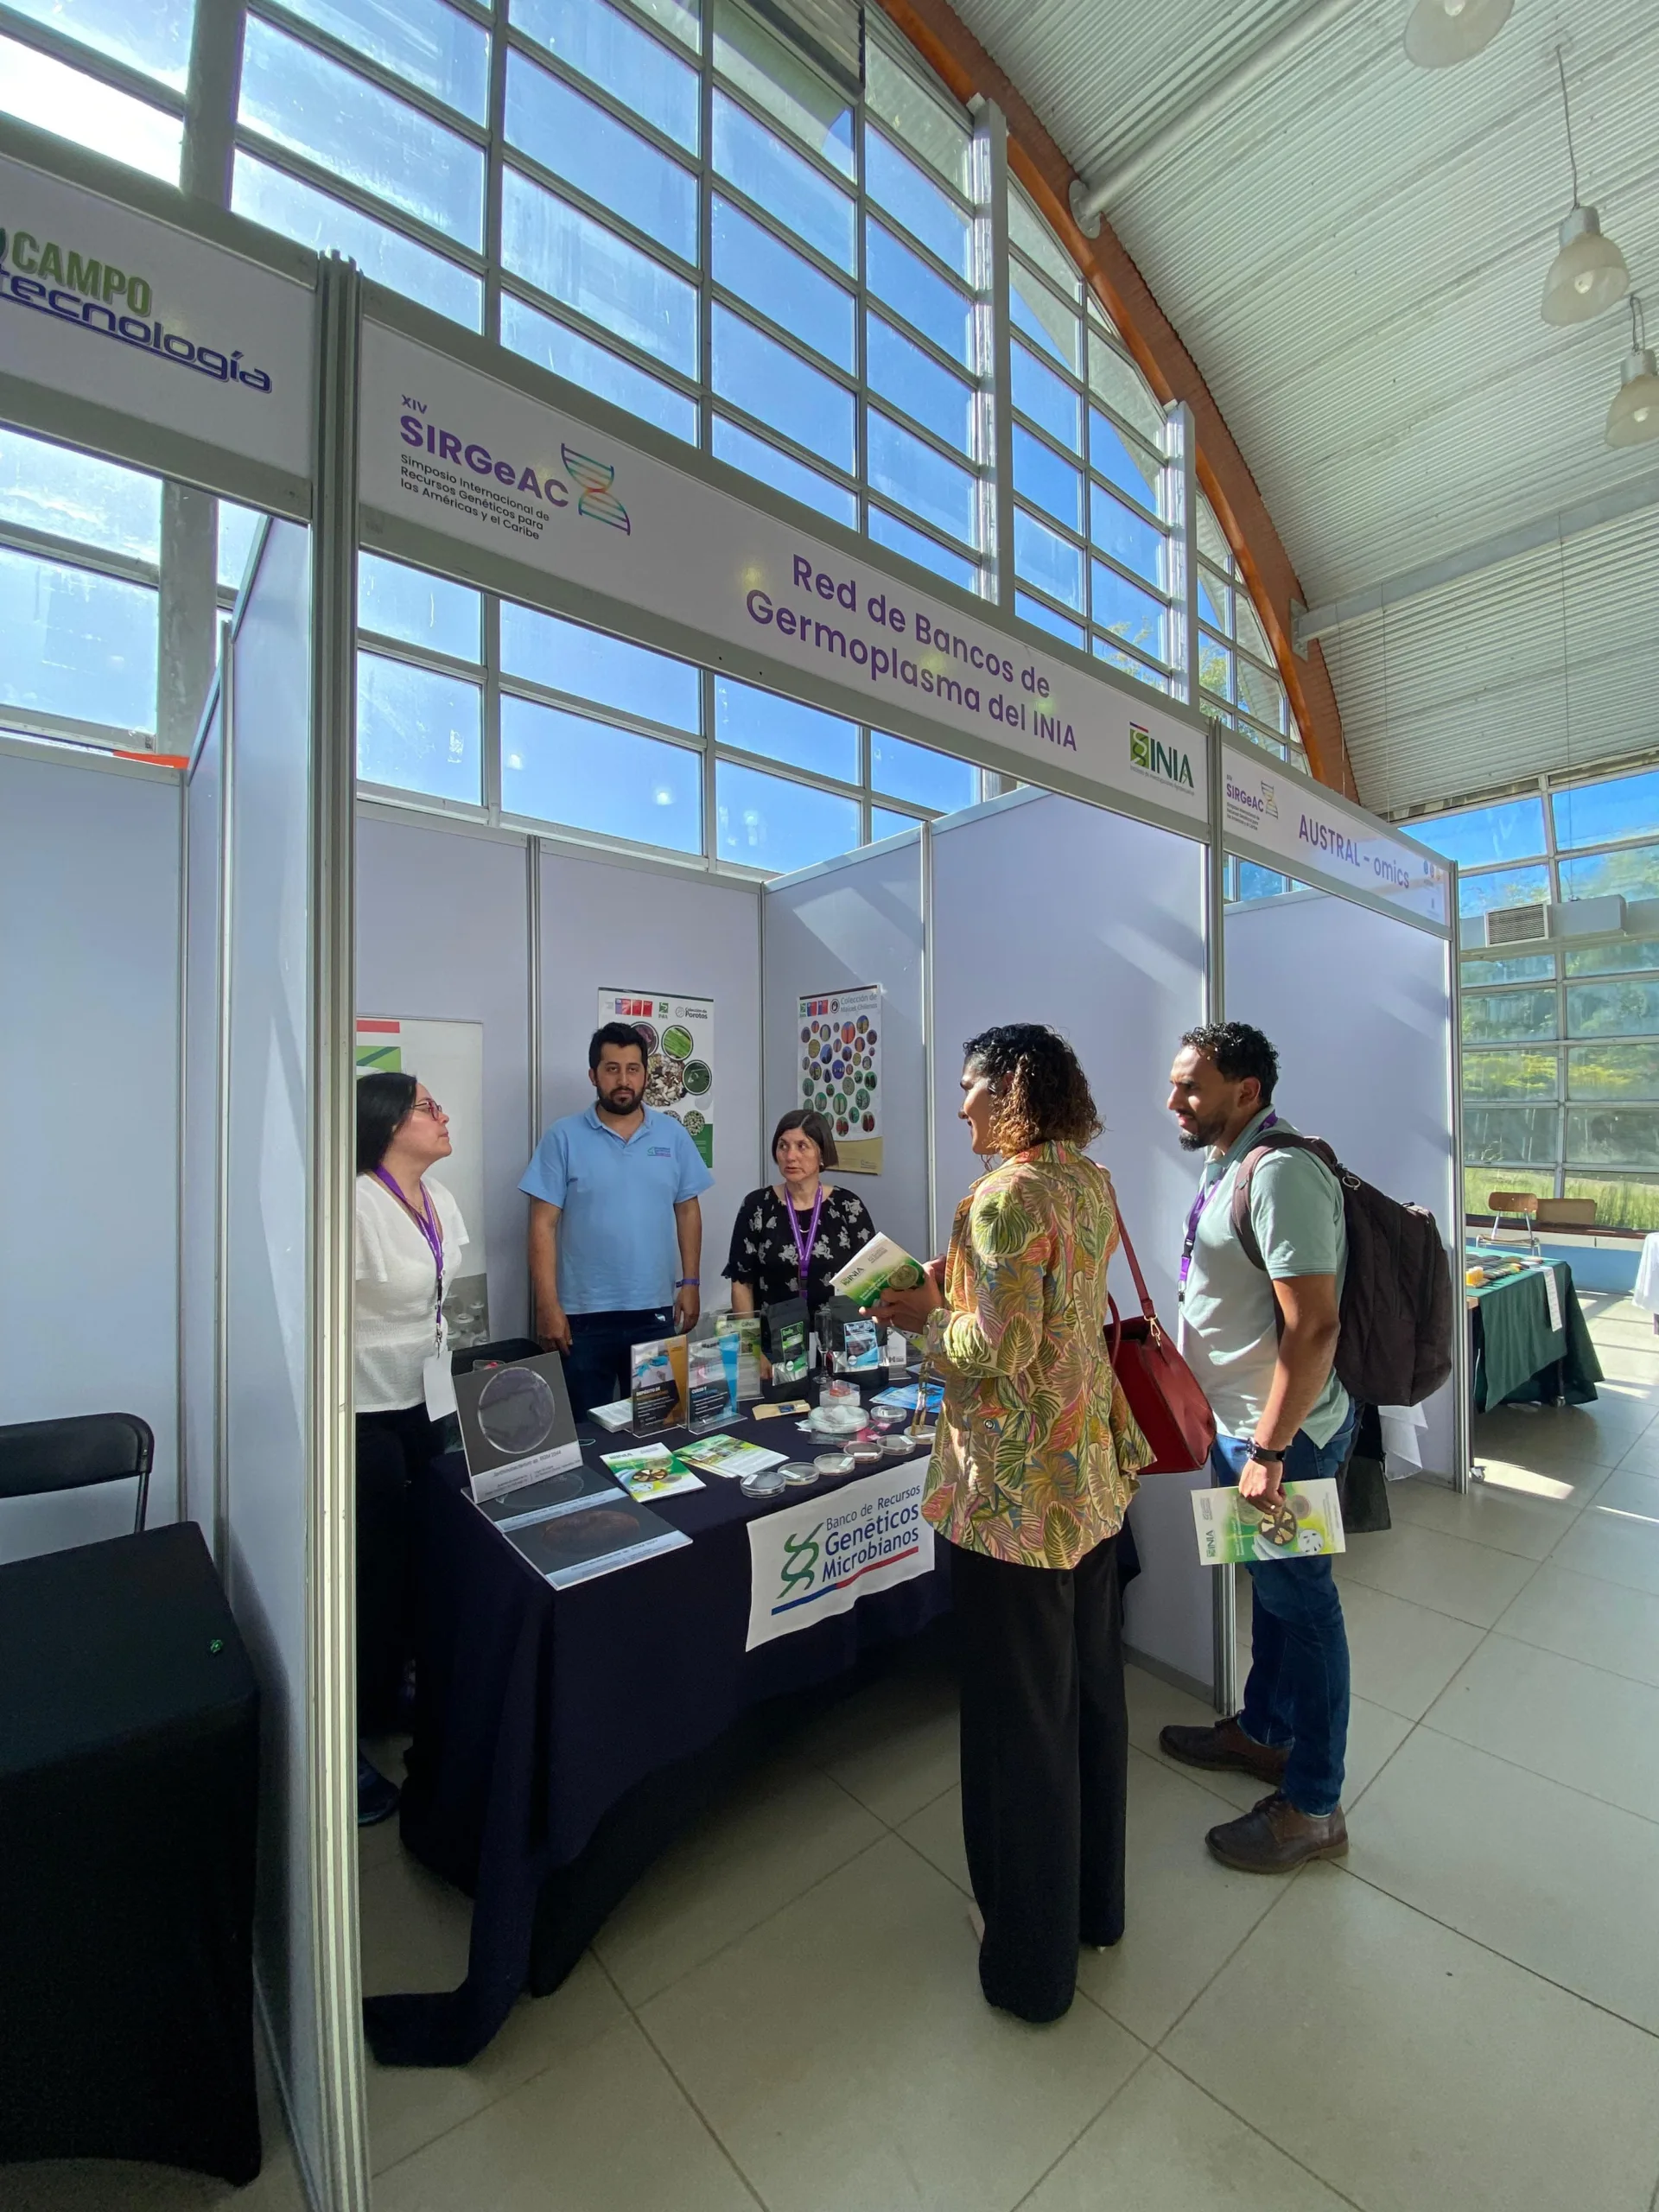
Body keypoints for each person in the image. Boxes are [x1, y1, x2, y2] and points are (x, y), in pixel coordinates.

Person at [877, 1023, 1150, 2024]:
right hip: (1086, 1481)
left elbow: (997, 1347)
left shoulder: (1001, 1197)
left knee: (1016, 1727)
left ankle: (1030, 1966)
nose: (960, 1105)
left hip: (1010, 1500)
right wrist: (956, 1287)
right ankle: (1094, 1909)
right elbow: (1055, 1308)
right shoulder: (1088, 1181)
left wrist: (921, 1316)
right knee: (1090, 1703)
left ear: (1012, 1091)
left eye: (970, 1088)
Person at [1160, 1020, 1356, 1872]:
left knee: (1303, 1608)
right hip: (1240, 1431)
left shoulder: (1280, 1173)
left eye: (1191, 1086)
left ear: (1246, 1091)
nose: (1174, 1099)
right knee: (1271, 1595)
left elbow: (1315, 1326)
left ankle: (1314, 1806)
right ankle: (1266, 1732)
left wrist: (1271, 1452)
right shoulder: (1228, 1163)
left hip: (1283, 1439)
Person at [354, 1071, 467, 1827]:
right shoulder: (355, 1202)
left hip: (426, 1399)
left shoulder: (440, 1199)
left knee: (426, 1551)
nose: (442, 1115)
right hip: (362, 1408)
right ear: (390, 1122)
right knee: (374, 1566)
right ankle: (350, 1727)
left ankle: (393, 1688)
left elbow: (440, 1299)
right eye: (428, 1107)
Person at [521, 1021, 713, 1418]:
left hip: (655, 1312)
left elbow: (687, 1209)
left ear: (645, 1074)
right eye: (612, 1069)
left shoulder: (673, 1135)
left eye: (633, 1069)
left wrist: (691, 1283)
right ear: (593, 1075)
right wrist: (547, 1304)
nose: (623, 1080)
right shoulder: (563, 1137)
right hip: (582, 1318)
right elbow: (542, 1224)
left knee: (660, 1423)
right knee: (587, 1432)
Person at [723, 1109, 876, 1337]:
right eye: (783, 1146)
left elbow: (869, 1280)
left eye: (802, 1146)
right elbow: (741, 1282)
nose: (790, 1156)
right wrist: (750, 1346)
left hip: (838, 1341)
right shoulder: (757, 1206)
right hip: (774, 1341)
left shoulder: (848, 1207)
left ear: (822, 1154)